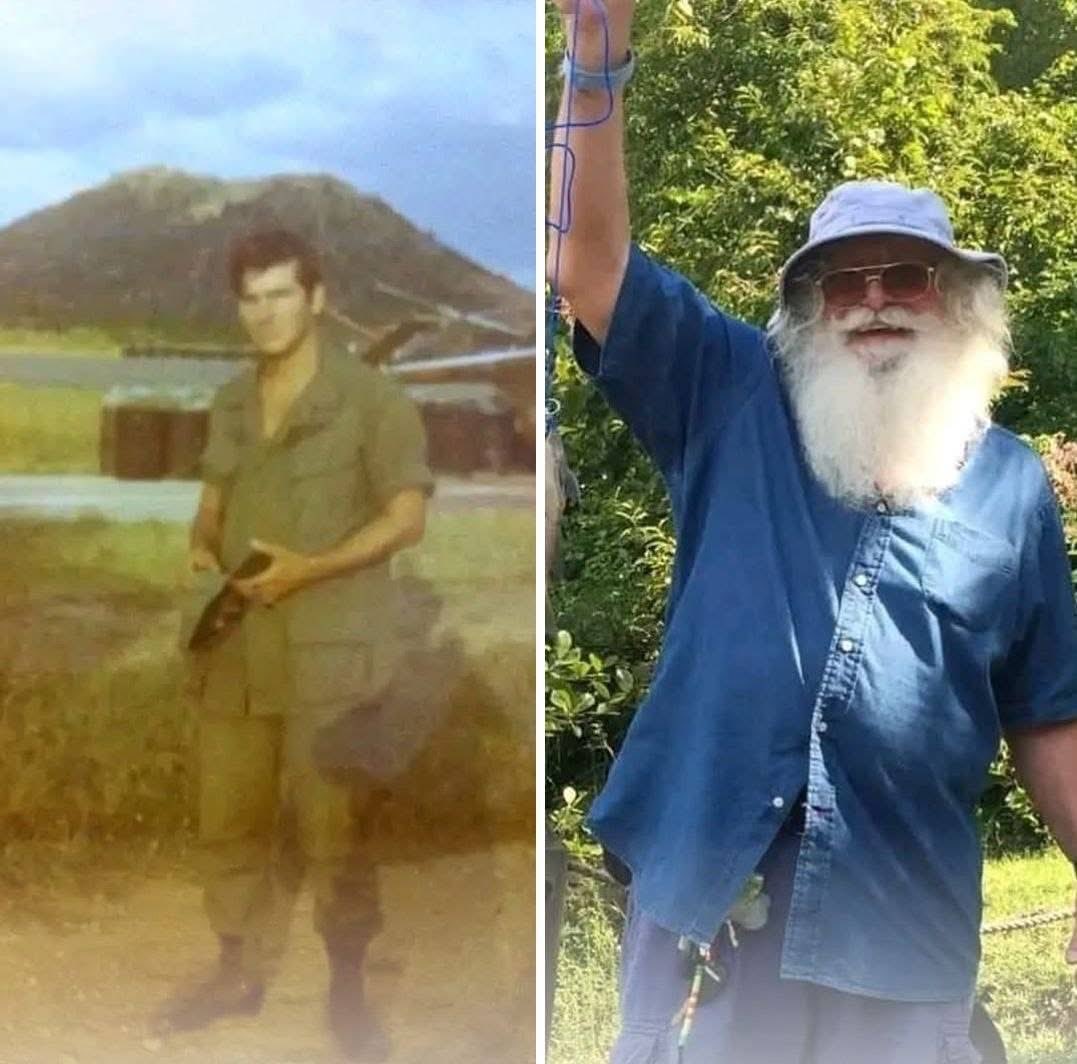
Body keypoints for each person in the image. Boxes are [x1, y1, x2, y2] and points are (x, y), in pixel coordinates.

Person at [547, 2, 1077, 1061]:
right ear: (807, 305)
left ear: (960, 298)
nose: (874, 300)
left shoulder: (1018, 489)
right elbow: (588, 268)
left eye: (908, 275)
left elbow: (1049, 719)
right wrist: (595, 50)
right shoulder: (733, 392)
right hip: (712, 910)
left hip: (907, 927)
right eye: (843, 279)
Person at [154, 227, 433, 1060]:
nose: (265, 313)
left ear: (314, 299)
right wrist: (203, 544)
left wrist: (309, 568)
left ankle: (347, 988)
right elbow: (213, 496)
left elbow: (406, 516)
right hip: (237, 649)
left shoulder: (372, 401)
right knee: (227, 822)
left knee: (333, 831)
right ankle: (236, 968)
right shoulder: (233, 401)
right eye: (250, 298)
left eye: (281, 294)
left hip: (329, 652)